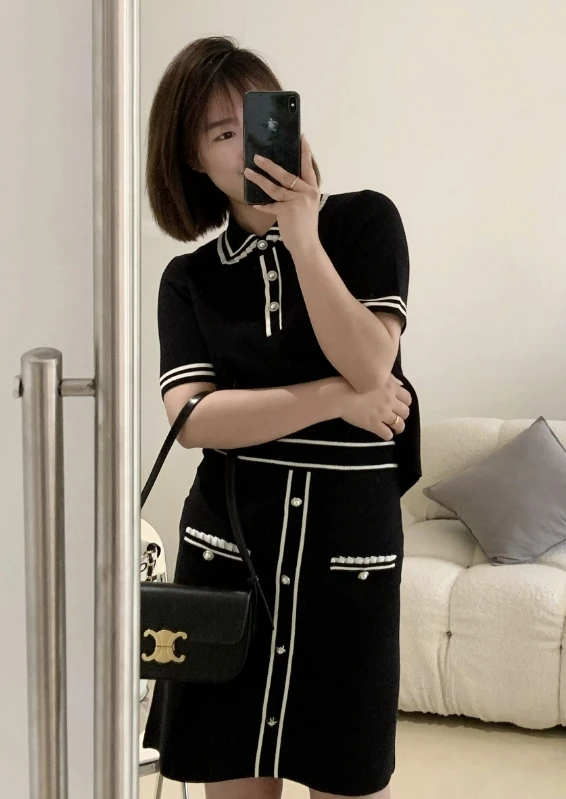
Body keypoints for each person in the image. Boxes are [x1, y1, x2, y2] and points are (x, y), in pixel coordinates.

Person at [142, 34, 421, 799]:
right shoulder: (189, 279)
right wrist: (336, 400)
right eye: (221, 132)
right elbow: (195, 418)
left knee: (349, 774)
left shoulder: (365, 224)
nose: (249, 145)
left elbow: (373, 362)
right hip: (227, 557)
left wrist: (302, 238)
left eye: (259, 120)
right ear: (193, 157)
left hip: (349, 559)